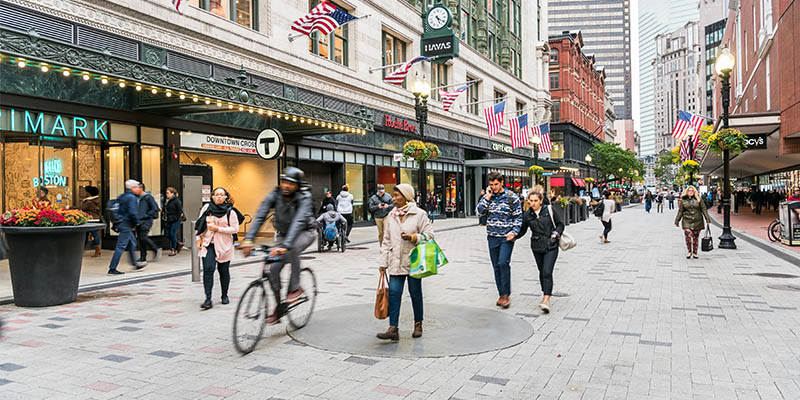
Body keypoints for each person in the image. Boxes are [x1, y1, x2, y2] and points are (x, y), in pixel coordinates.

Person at [241, 167, 316, 324]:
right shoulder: (275, 195)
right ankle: (279, 308)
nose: (286, 186)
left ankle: (296, 288)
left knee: (293, 247)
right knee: (273, 269)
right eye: (284, 182)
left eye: (291, 183)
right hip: (283, 235)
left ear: (297, 185)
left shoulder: (304, 197)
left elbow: (299, 221)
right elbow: (261, 214)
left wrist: (285, 245)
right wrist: (248, 239)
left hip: (305, 232)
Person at [376, 184, 434, 341]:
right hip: (395, 261)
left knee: (415, 294)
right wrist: (383, 263)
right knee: (394, 294)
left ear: (407, 196)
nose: (393, 198)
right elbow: (386, 241)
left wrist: (413, 237)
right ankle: (393, 328)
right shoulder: (391, 215)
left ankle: (418, 324)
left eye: (396, 195)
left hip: (413, 261)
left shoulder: (419, 214)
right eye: (393, 195)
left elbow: (430, 235)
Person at [475, 172, 523, 309]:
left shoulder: (511, 197)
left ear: (502, 183)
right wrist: (488, 196)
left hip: (506, 237)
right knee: (496, 266)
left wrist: (514, 232)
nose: (494, 187)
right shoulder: (487, 197)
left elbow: (518, 217)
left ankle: (506, 295)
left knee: (503, 262)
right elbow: (479, 212)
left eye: (496, 184)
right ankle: (501, 294)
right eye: (491, 185)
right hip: (492, 236)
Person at [515, 191, 564, 314]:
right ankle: (545, 292)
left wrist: (555, 235)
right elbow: (523, 230)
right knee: (542, 271)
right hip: (536, 246)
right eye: (530, 201)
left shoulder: (549, 210)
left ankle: (546, 299)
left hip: (551, 245)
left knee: (547, 271)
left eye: (535, 200)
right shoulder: (527, 214)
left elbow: (560, 224)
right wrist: (513, 236)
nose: (533, 203)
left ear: (541, 200)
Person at [195, 187, 239, 310]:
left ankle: (224, 295)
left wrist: (218, 229)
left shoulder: (230, 211)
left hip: (224, 245)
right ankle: (208, 299)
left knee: (223, 271)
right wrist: (198, 239)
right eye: (216, 195)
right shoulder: (206, 208)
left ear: (226, 197)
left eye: (221, 195)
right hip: (208, 243)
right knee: (208, 269)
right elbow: (199, 224)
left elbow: (235, 229)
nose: (219, 197)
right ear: (212, 197)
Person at [108, 180, 145, 275]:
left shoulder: (122, 196)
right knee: (121, 246)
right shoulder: (131, 198)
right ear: (132, 188)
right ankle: (112, 268)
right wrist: (136, 223)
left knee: (132, 243)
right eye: (137, 187)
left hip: (122, 223)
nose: (138, 189)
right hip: (126, 225)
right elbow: (133, 212)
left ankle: (135, 264)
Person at [675, 185, 711, 259]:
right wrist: (677, 221)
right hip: (686, 220)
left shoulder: (699, 200)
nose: (690, 192)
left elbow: (704, 209)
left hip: (697, 220)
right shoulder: (683, 201)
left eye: (692, 191)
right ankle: (689, 251)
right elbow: (680, 211)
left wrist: (707, 219)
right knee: (688, 235)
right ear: (687, 192)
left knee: (695, 238)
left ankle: (695, 252)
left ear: (694, 192)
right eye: (689, 190)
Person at [136, 183, 162, 263]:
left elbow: (154, 209)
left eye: (137, 188)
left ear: (141, 188)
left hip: (146, 221)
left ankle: (156, 249)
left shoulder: (148, 197)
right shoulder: (137, 198)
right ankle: (143, 256)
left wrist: (146, 215)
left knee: (143, 237)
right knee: (141, 239)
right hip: (139, 221)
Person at [79, 186, 103, 257]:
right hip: (93, 219)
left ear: (89, 193)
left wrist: (69, 207)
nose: (85, 192)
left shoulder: (89, 202)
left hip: (91, 219)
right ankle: (84, 250)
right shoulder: (95, 200)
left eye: (86, 191)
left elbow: (81, 208)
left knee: (93, 233)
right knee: (87, 234)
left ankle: (97, 250)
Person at [163, 187, 185, 256]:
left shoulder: (176, 201)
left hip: (175, 219)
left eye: (168, 193)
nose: (166, 194)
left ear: (172, 193)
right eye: (166, 193)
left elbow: (180, 211)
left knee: (172, 234)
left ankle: (174, 249)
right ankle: (178, 243)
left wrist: (178, 218)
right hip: (169, 220)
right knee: (166, 233)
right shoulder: (167, 201)